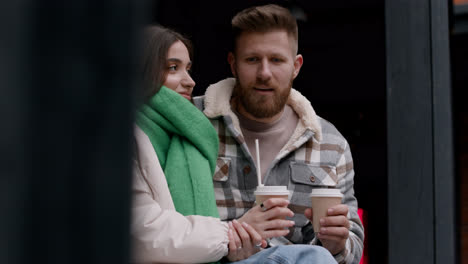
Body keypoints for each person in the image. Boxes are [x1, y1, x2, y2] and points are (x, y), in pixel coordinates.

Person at [131, 25, 337, 264]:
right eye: (173, 68)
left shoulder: (187, 135)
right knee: (310, 258)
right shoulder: (121, 137)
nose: (190, 81)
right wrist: (230, 233)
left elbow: (352, 239)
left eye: (188, 68)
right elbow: (143, 234)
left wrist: (235, 244)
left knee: (312, 255)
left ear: (296, 66)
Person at [193, 4, 364, 263]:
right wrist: (227, 238)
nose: (264, 73)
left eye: (276, 60)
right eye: (252, 60)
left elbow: (353, 242)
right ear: (233, 64)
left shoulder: (330, 143)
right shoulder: (194, 121)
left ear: (296, 66)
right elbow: (160, 217)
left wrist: (337, 243)